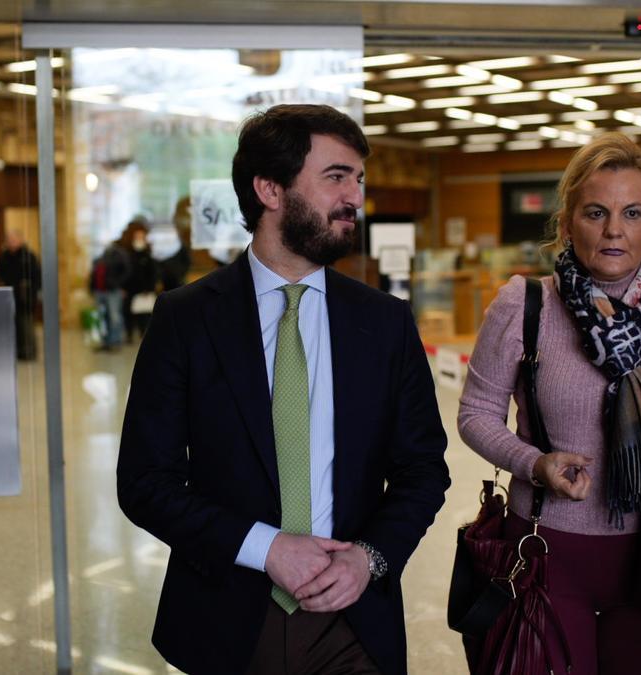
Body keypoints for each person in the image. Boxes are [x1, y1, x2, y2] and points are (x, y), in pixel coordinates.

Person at [116, 104, 449, 675]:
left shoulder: (384, 323)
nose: (356, 198)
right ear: (269, 189)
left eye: (359, 179)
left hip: (353, 622)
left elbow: (424, 470)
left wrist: (368, 560)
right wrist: (265, 547)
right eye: (336, 176)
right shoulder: (187, 319)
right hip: (226, 617)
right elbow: (145, 482)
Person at [458, 132, 641, 675]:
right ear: (569, 219)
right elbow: (476, 413)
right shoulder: (524, 306)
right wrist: (535, 463)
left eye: (633, 212)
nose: (615, 229)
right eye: (596, 212)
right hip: (546, 551)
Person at [0, 229, 41, 360]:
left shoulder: (29, 256)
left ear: (20, 240)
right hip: (9, 297)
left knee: (26, 325)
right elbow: (0, 275)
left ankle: (29, 352)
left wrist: (32, 292)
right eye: (9, 240)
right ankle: (17, 352)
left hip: (26, 297)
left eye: (14, 239)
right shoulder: (4, 257)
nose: (11, 242)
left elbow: (36, 277)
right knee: (12, 326)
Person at [88, 233, 129, 350]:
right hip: (99, 291)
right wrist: (92, 288)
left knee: (114, 317)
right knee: (102, 318)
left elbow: (126, 271)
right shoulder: (99, 257)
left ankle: (115, 341)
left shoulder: (119, 255)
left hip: (112, 291)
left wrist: (118, 285)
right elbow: (94, 274)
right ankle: (105, 342)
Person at [120, 217, 157, 342]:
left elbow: (152, 272)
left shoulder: (148, 253)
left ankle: (143, 334)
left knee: (144, 314)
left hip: (144, 289)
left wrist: (150, 288)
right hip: (130, 289)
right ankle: (129, 335)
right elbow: (124, 271)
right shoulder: (127, 252)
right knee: (128, 313)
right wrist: (123, 287)